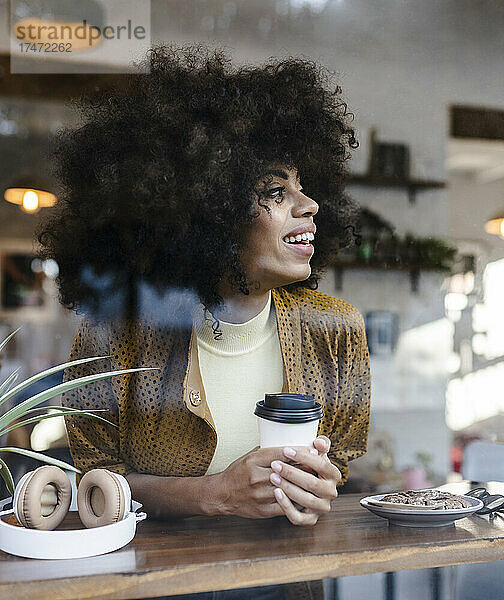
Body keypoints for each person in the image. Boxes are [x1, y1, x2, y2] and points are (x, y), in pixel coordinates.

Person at [36, 43, 371, 600]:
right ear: (205, 212)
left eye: (305, 188)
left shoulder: (335, 330)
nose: (310, 204)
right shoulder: (115, 336)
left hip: (287, 582)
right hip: (150, 582)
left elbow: (344, 463)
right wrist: (212, 495)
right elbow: (93, 481)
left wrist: (323, 483)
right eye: (275, 191)